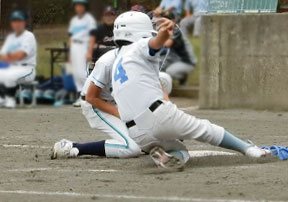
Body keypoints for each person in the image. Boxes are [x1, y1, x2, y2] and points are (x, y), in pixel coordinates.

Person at [110, 11, 271, 170]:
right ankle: (250, 150)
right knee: (206, 129)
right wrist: (166, 32)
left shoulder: (118, 60)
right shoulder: (138, 47)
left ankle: (166, 156)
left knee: (179, 150)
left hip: (136, 133)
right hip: (158, 114)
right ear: (139, 30)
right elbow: (155, 44)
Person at [51, 15, 173, 159]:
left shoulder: (141, 59)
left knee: (158, 136)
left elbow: (158, 86)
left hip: (118, 101)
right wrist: (124, 115)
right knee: (130, 148)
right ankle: (74, 147)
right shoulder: (107, 62)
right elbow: (91, 97)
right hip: (96, 105)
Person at [0, 10, 37, 108]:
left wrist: (10, 55)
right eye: (14, 21)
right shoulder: (10, 37)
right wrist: (12, 55)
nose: (17, 24)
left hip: (27, 69)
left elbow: (21, 55)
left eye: (19, 21)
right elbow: (3, 56)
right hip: (13, 66)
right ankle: (2, 98)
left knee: (9, 75)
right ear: (11, 23)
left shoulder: (28, 36)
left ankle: (10, 99)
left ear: (24, 22)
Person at [68, 0, 97, 107]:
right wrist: (70, 52)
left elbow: (93, 35)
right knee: (75, 73)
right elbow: (70, 36)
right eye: (77, 5)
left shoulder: (89, 19)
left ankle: (89, 95)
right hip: (74, 46)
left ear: (85, 7)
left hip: (83, 46)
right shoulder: (74, 20)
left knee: (82, 72)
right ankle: (81, 96)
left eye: (81, 5)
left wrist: (90, 51)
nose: (79, 7)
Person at [162, 12, 197, 85]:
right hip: (175, 60)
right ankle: (169, 83)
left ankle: (182, 76)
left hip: (187, 62)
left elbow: (166, 44)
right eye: (164, 19)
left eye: (169, 19)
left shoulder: (177, 31)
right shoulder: (166, 31)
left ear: (174, 21)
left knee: (169, 72)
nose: (166, 21)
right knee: (159, 67)